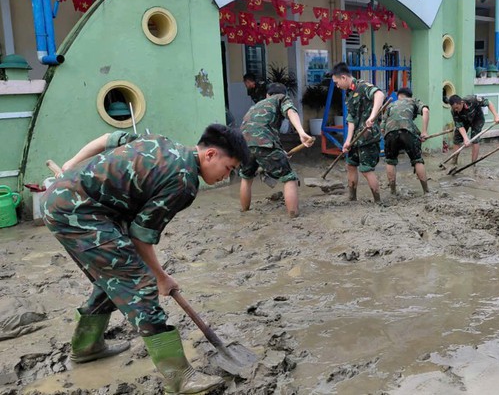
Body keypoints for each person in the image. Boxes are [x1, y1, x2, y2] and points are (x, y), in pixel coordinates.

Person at [42, 124, 249, 393]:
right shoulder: (183, 182)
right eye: (229, 169)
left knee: (113, 276)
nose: (226, 177)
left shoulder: (161, 141)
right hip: (79, 215)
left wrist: (71, 164)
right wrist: (160, 277)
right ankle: (179, 377)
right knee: (138, 283)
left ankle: (87, 347)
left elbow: (107, 138)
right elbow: (140, 237)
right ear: (210, 155)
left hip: (66, 203)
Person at [239, 83, 314, 217]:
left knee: (246, 176)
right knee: (289, 177)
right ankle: (293, 215)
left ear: (267, 95)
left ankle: (244, 211)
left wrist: (280, 151)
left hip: (243, 144)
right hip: (263, 142)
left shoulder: (255, 106)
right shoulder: (281, 98)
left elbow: (264, 129)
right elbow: (291, 111)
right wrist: (301, 132)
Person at [331, 62, 386, 203]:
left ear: (344, 78)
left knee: (366, 170)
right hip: (356, 137)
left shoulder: (362, 86)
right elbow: (351, 120)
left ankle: (378, 201)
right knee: (350, 165)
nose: (337, 86)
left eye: (337, 83)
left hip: (368, 136)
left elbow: (379, 95)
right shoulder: (348, 95)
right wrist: (348, 140)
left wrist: (372, 116)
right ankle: (352, 197)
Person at [381, 87, 430, 194]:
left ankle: (393, 192)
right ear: (410, 95)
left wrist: (389, 142)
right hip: (407, 132)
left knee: (390, 161)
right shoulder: (413, 100)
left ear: (398, 95)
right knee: (417, 160)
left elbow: (382, 128)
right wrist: (424, 132)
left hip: (390, 133)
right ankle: (426, 191)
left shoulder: (390, 105)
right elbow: (425, 110)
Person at [448, 94, 499, 166]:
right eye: (454, 108)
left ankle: (473, 164)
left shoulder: (472, 100)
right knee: (456, 139)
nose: (456, 110)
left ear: (461, 103)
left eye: (457, 108)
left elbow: (488, 102)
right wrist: (466, 138)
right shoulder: (454, 111)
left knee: (475, 139)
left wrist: (496, 115)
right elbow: (460, 126)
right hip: (464, 121)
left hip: (477, 119)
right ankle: (454, 162)